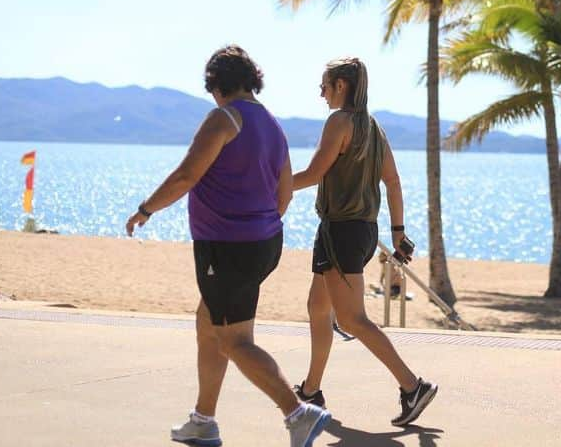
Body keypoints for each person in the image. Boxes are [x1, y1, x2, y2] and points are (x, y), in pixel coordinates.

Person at [125, 46, 330, 447]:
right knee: (209, 325)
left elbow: (186, 176)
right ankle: (203, 420)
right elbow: (284, 192)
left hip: (227, 248)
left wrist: (145, 209)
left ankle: (297, 414)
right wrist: (260, 223)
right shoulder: (272, 124)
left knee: (234, 340)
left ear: (218, 84)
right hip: (264, 243)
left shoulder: (225, 118)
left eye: (212, 88)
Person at [292, 57, 437, 426]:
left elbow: (312, 173)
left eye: (324, 86)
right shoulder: (373, 128)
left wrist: (268, 187)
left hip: (341, 231)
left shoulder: (339, 122)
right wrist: (398, 234)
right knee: (317, 306)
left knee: (353, 319)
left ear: (342, 86)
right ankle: (311, 391)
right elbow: (393, 181)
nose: (321, 94)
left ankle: (412, 386)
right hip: (360, 231)